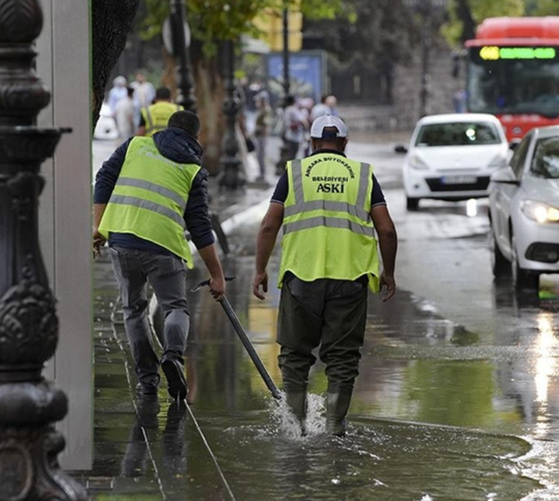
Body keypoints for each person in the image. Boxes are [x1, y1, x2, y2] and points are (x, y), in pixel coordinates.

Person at [252, 115, 398, 436]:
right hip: (350, 279)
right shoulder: (363, 175)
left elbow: (268, 225)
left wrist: (260, 269)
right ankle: (334, 427)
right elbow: (386, 229)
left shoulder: (294, 173)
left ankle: (296, 429)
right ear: (344, 144)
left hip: (300, 278)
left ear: (313, 142)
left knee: (294, 357)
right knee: (342, 359)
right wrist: (389, 273)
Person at [93, 110, 226, 401]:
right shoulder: (194, 170)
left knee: (133, 309)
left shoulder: (135, 145)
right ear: (196, 137)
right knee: (175, 307)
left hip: (123, 240)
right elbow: (200, 226)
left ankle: (147, 380)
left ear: (167, 128)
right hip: (164, 247)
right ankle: (174, 357)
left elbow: (103, 179)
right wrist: (216, 274)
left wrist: (98, 228)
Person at [280, 96, 305, 169]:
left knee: (290, 153)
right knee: (293, 154)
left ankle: (287, 169)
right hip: (294, 136)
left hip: (288, 134)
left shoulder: (286, 110)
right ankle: (290, 170)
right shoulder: (293, 110)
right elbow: (302, 120)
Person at [254, 94, 272, 182]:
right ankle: (261, 173)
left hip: (262, 135)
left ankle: (263, 173)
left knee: (261, 154)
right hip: (258, 135)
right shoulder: (261, 110)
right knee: (259, 155)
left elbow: (266, 124)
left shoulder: (265, 111)